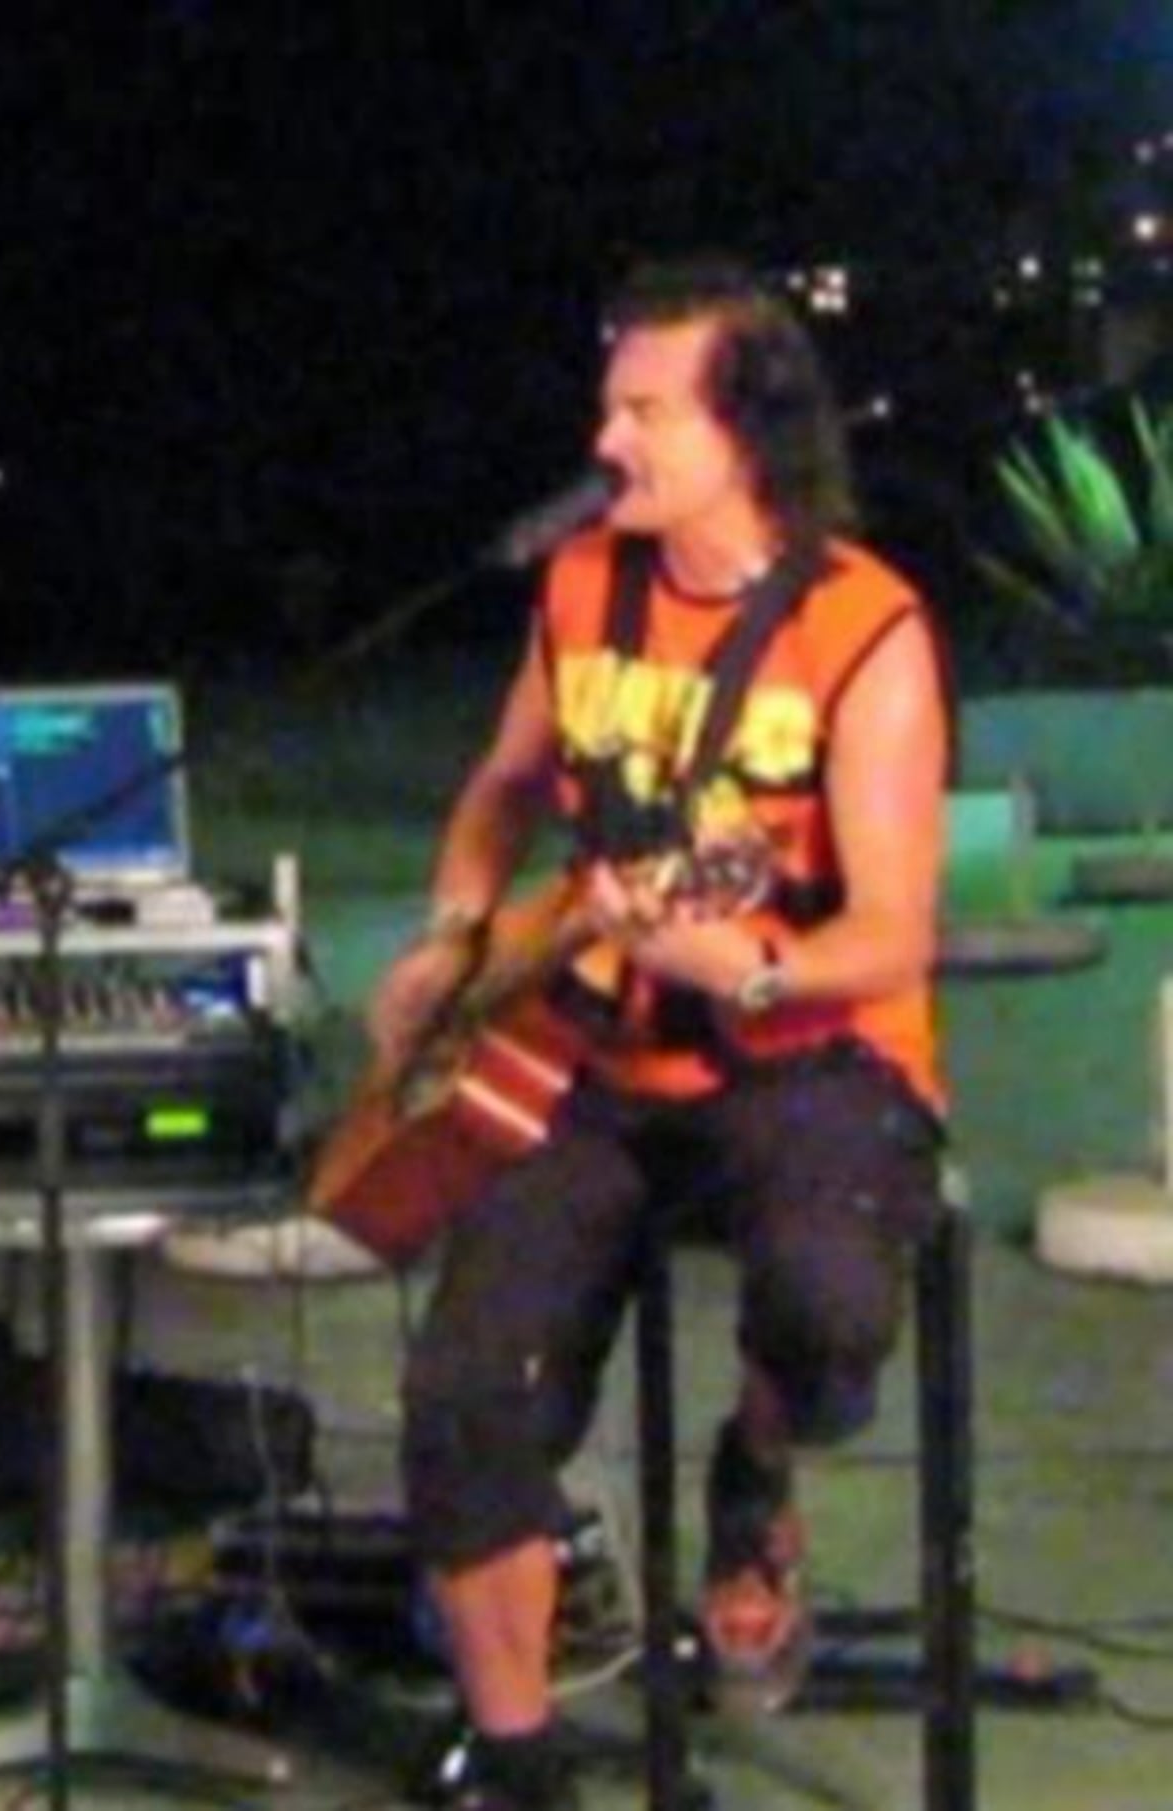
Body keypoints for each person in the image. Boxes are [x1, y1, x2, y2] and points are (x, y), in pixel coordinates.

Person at [368, 260, 948, 1811]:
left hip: (807, 1051)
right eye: (606, 403)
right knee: (466, 1395)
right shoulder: (580, 586)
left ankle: (755, 1458)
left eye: (643, 409)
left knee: (829, 1305)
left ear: (745, 431)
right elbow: (505, 785)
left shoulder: (868, 625)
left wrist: (742, 965)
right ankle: (517, 1753)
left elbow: (892, 930)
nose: (605, 438)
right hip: (593, 1058)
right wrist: (455, 928)